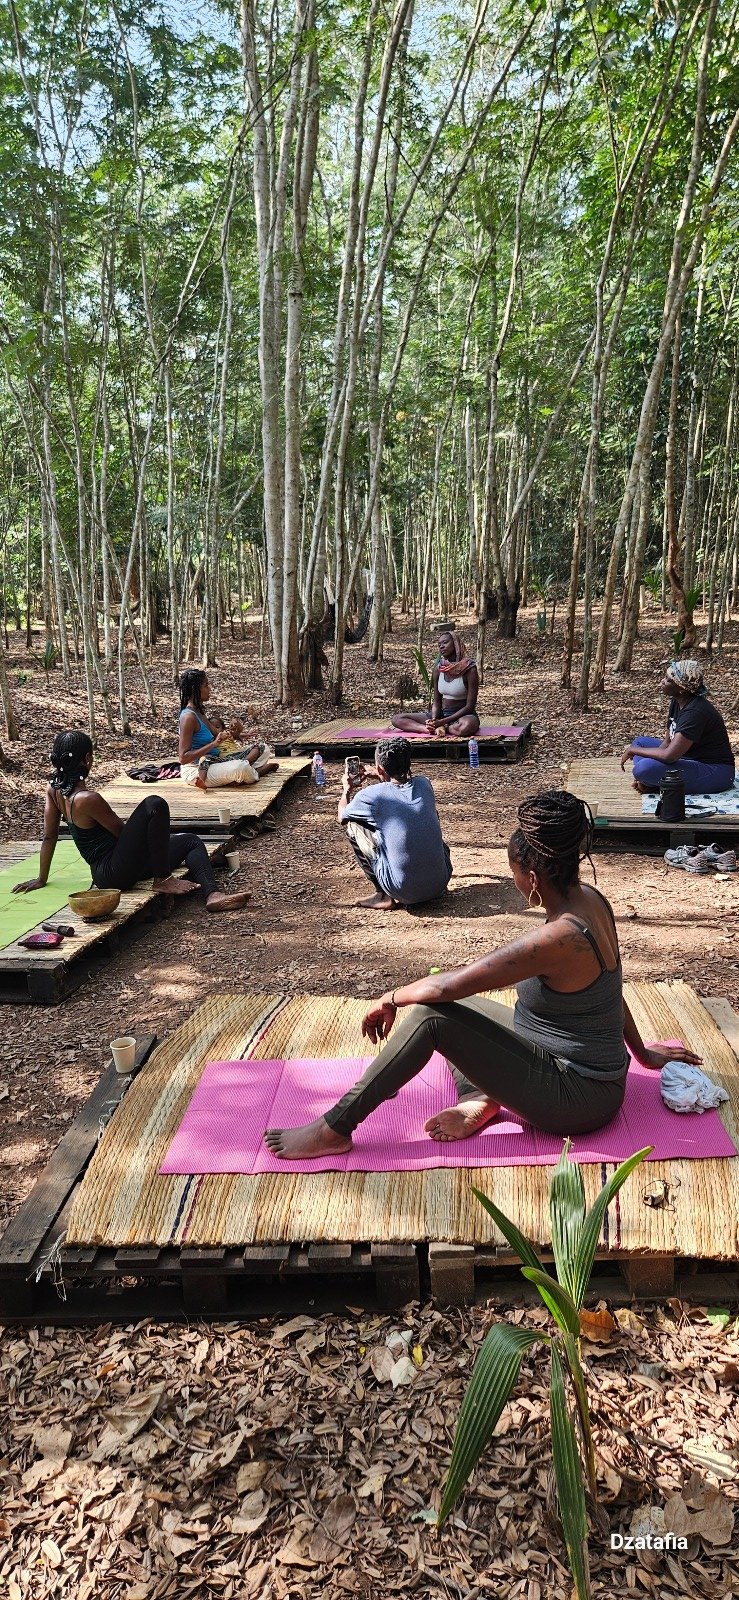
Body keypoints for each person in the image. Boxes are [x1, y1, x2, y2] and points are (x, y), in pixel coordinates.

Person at [264, 790, 700, 1158]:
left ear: (531, 878)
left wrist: (392, 997)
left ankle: (334, 1128)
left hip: (578, 1100)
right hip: (563, 1065)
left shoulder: (559, 938)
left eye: (511, 873)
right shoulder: (591, 899)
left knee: (429, 1013)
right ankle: (482, 1097)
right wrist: (642, 1055)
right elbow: (611, 992)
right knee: (444, 1005)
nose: (511, 883)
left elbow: (448, 984)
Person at [13, 731, 251, 914]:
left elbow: (49, 836)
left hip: (110, 870)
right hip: (115, 871)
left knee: (190, 841)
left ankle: (213, 895)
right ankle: (163, 879)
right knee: (154, 804)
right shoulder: (87, 799)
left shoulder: (53, 791)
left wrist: (41, 878)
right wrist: (156, 845)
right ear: (87, 759)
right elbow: (121, 833)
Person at [338, 737, 452, 911]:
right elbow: (398, 789)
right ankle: (432, 877)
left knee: (353, 825)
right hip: (440, 882)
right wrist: (381, 774)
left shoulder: (371, 795)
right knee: (425, 819)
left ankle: (383, 895)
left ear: (380, 768)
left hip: (401, 889)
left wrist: (346, 790)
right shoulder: (424, 784)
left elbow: (342, 816)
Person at [620, 660, 735, 794]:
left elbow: (669, 756)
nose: (662, 681)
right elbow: (668, 742)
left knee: (643, 769)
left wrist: (633, 752)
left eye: (668, 680)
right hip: (688, 758)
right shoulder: (677, 701)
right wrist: (649, 765)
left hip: (716, 772)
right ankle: (654, 781)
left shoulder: (695, 712)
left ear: (681, 689)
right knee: (640, 743)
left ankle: (658, 784)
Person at [178, 669, 278, 789]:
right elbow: (183, 758)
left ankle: (240, 776)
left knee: (264, 748)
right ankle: (257, 772)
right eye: (206, 685)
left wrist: (237, 734)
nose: (209, 689)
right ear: (195, 689)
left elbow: (216, 733)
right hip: (198, 770)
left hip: (218, 761)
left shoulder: (199, 711)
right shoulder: (188, 717)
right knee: (240, 768)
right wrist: (213, 745)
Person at [391, 629, 480, 737]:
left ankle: (445, 728)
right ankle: (428, 729)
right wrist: (434, 720)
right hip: (441, 715)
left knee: (467, 725)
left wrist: (443, 722)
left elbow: (470, 706)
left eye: (445, 642)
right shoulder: (439, 668)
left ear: (456, 644)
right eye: (439, 644)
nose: (441, 646)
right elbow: (437, 701)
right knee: (397, 719)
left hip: (463, 716)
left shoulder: (470, 670)